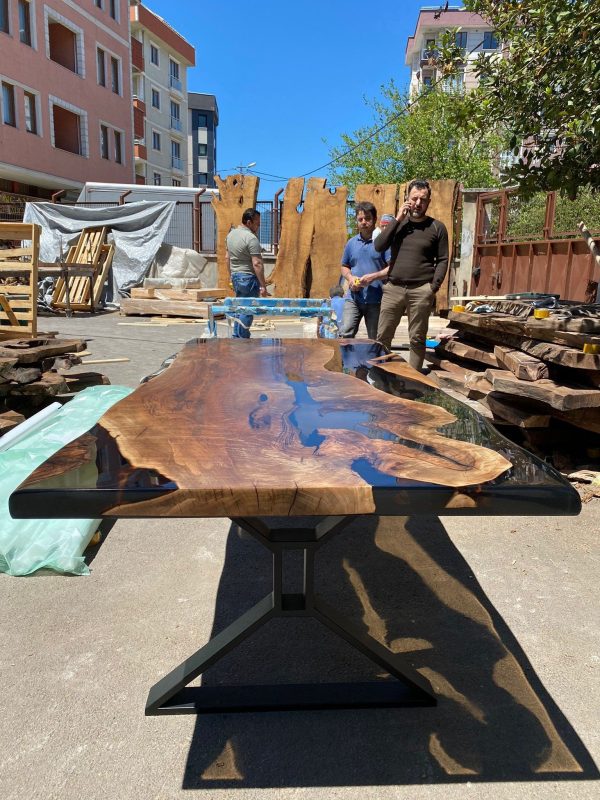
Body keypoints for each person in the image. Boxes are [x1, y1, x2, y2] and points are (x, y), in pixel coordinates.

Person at [374, 179, 448, 369]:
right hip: (393, 289)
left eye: (422, 200)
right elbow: (379, 245)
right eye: (414, 198)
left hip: (421, 290)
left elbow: (442, 260)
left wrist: (432, 288)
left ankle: (414, 380)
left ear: (428, 202)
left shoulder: (437, 228)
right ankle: (383, 373)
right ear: (407, 198)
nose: (417, 203)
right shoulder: (398, 225)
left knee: (417, 338)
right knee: (383, 336)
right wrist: (397, 218)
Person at [339, 201, 391, 340]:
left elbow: (392, 268)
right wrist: (350, 279)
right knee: (345, 334)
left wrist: (373, 277)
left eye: (367, 219)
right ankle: (346, 361)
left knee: (375, 339)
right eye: (360, 219)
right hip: (353, 298)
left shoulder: (382, 242)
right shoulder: (351, 243)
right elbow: (344, 266)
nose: (363, 222)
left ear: (374, 220)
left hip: (377, 300)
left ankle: (373, 362)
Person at [225, 208, 269, 338]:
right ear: (249, 222)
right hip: (248, 278)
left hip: (236, 277)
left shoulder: (231, 235)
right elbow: (257, 263)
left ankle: (237, 336)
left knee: (240, 307)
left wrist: (231, 276)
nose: (258, 227)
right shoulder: (251, 238)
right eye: (257, 223)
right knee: (248, 309)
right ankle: (243, 339)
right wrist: (263, 285)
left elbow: (227, 258)